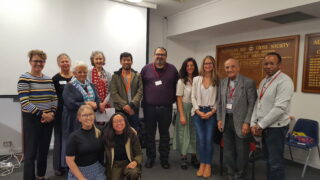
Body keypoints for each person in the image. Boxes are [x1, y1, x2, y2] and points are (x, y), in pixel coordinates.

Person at [250, 52, 294, 180]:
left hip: (276, 128)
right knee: (268, 160)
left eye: (271, 63)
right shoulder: (264, 80)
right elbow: (258, 102)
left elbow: (280, 108)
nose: (268, 66)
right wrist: (253, 123)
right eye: (266, 63)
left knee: (275, 163)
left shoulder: (285, 81)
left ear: (279, 65)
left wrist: (260, 125)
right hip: (264, 127)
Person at [17, 49, 57, 180]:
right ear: (30, 61)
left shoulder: (48, 79)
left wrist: (52, 113)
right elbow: (25, 102)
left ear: (44, 63)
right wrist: (42, 114)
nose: (39, 64)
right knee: (31, 153)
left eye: (41, 61)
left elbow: (54, 98)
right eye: (36, 61)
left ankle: (41, 176)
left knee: (44, 151)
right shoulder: (24, 78)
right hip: (32, 119)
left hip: (48, 118)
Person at [217, 58, 257, 180]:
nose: (230, 69)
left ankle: (240, 173)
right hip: (226, 120)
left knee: (241, 151)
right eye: (227, 67)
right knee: (228, 149)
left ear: (238, 68)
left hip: (241, 122)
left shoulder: (248, 82)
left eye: (232, 66)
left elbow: (252, 104)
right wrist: (219, 119)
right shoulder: (223, 82)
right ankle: (230, 172)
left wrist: (247, 122)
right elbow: (219, 103)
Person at [141, 47, 178, 169]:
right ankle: (150, 158)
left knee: (164, 135)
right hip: (149, 108)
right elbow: (140, 87)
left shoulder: (172, 69)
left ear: (166, 56)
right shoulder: (146, 69)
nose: (160, 56)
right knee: (150, 134)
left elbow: (177, 87)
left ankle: (164, 159)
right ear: (153, 55)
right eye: (157, 54)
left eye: (162, 54)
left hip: (166, 108)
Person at [61, 61, 100, 168]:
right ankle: (73, 166)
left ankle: (88, 162)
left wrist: (96, 104)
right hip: (74, 120)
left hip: (90, 119)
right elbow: (69, 103)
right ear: (74, 73)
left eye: (84, 72)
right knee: (75, 142)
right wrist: (86, 103)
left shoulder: (91, 85)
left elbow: (97, 99)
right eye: (79, 72)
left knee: (88, 142)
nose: (82, 74)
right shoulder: (69, 86)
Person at [191, 55, 219, 178]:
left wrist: (212, 112)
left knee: (208, 140)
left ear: (213, 65)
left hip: (211, 113)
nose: (207, 65)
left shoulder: (217, 79)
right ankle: (202, 163)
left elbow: (219, 99)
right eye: (205, 63)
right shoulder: (197, 79)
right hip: (198, 112)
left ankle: (208, 165)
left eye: (210, 63)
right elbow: (193, 97)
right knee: (201, 140)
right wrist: (197, 110)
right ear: (203, 65)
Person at [173, 57, 199, 170]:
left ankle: (194, 157)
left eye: (192, 65)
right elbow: (179, 99)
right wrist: (182, 115)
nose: (190, 67)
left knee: (194, 134)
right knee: (183, 134)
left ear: (195, 67)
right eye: (188, 65)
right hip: (184, 109)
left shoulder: (199, 80)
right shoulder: (181, 81)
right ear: (185, 67)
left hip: (196, 109)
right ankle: (183, 157)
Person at [66, 105, 105, 180]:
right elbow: (69, 161)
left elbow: (115, 127)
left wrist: (129, 128)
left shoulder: (100, 131)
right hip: (79, 171)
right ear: (79, 118)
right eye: (85, 115)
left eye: (90, 114)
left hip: (97, 169)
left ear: (94, 116)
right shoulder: (74, 137)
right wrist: (81, 178)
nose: (88, 117)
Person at [103, 113, 143, 180]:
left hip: (128, 162)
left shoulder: (131, 134)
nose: (118, 123)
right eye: (115, 121)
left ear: (125, 122)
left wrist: (135, 161)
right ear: (111, 124)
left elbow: (139, 153)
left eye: (121, 120)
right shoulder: (106, 136)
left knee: (134, 173)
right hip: (114, 165)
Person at [52, 53, 73, 176]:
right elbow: (52, 97)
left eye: (67, 61)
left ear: (70, 62)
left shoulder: (75, 77)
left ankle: (71, 165)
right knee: (60, 140)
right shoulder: (55, 79)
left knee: (72, 140)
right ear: (59, 64)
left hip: (74, 114)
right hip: (60, 114)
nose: (65, 63)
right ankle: (58, 166)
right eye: (62, 61)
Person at [110, 52, 143, 131]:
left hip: (133, 109)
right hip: (120, 109)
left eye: (128, 60)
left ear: (132, 61)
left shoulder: (137, 75)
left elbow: (140, 91)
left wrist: (131, 105)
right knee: (120, 131)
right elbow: (114, 93)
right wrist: (125, 106)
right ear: (120, 62)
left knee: (134, 130)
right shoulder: (115, 76)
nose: (126, 62)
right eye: (124, 60)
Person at [87, 51, 112, 125]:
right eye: (96, 59)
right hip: (93, 105)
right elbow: (87, 89)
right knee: (94, 128)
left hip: (106, 105)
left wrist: (103, 103)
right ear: (93, 60)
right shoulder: (88, 73)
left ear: (103, 60)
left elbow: (110, 91)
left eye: (100, 59)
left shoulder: (108, 74)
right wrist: (98, 104)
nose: (98, 61)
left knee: (107, 129)